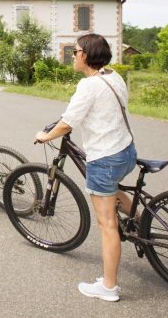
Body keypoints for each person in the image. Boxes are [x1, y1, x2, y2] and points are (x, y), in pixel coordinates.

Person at [34, 33, 136, 302]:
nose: (73, 55)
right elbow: (84, 112)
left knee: (107, 225)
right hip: (126, 151)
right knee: (111, 191)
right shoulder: (113, 76)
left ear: (86, 55)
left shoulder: (88, 86)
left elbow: (68, 123)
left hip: (105, 158)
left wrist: (46, 136)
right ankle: (142, 219)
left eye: (75, 51)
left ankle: (109, 287)